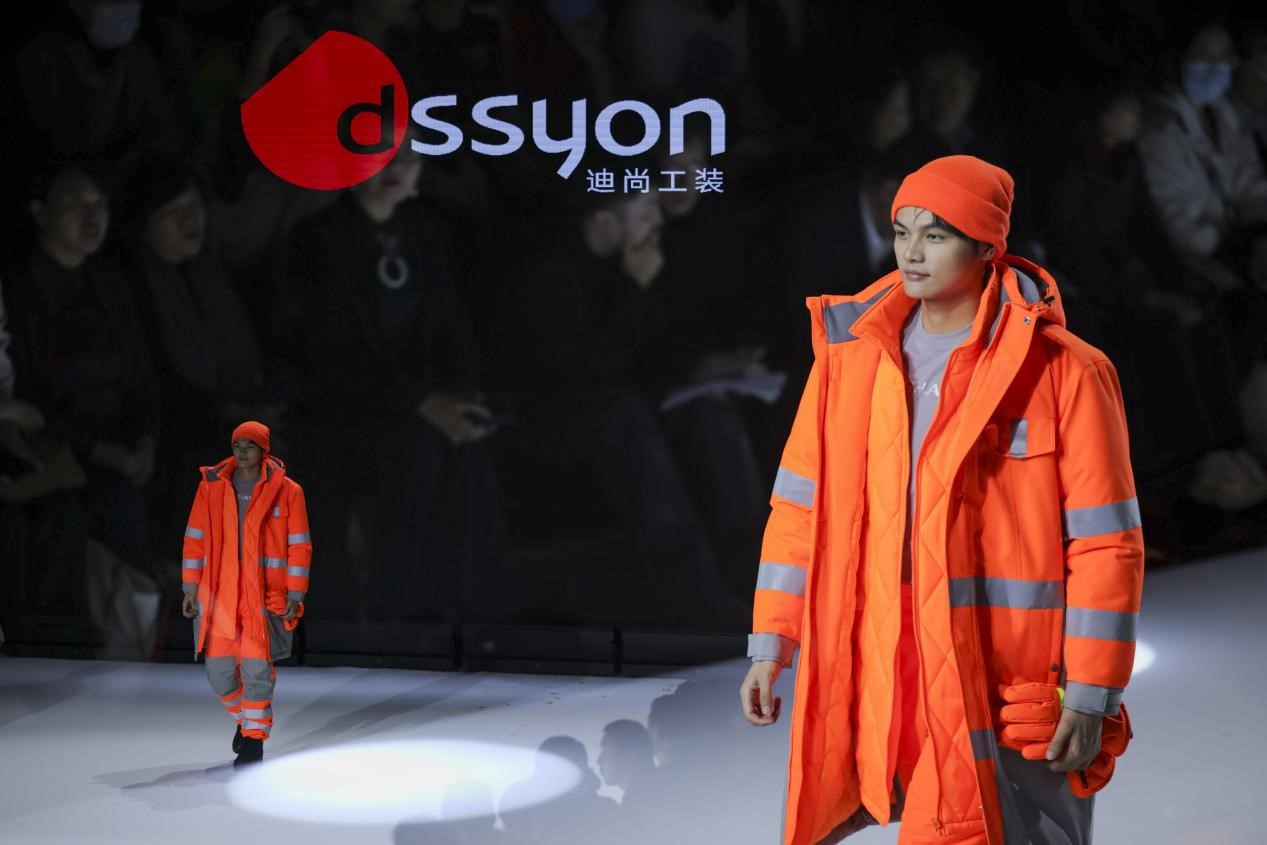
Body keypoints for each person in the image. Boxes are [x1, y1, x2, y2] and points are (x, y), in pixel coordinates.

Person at [739, 155, 1145, 844]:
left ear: (987, 247)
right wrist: (769, 645)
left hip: (1000, 671)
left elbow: (1107, 544)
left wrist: (1091, 692)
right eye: (902, 231)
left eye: (936, 234)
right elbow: (799, 511)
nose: (912, 252)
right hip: (876, 655)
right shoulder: (850, 359)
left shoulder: (1066, 371)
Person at [180, 420, 312, 768]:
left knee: (257, 672)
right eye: (237, 444)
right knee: (219, 676)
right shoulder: (211, 487)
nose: (241, 451)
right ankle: (247, 722)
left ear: (263, 450)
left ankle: (254, 740)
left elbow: (299, 546)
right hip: (220, 596)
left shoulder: (288, 491)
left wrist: (295, 594)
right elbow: (194, 540)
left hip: (261, 597)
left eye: (249, 445)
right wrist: (190, 586)